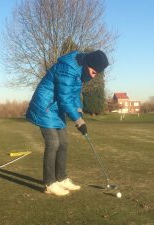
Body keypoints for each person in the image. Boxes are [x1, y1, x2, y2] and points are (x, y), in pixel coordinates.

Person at [26, 50, 109, 196]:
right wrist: (78, 121)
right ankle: (49, 183)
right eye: (93, 72)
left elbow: (74, 93)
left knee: (64, 142)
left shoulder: (80, 72)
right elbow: (64, 98)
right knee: (53, 143)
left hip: (56, 109)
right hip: (44, 107)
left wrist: (79, 111)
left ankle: (61, 178)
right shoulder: (68, 69)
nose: (93, 75)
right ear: (87, 64)